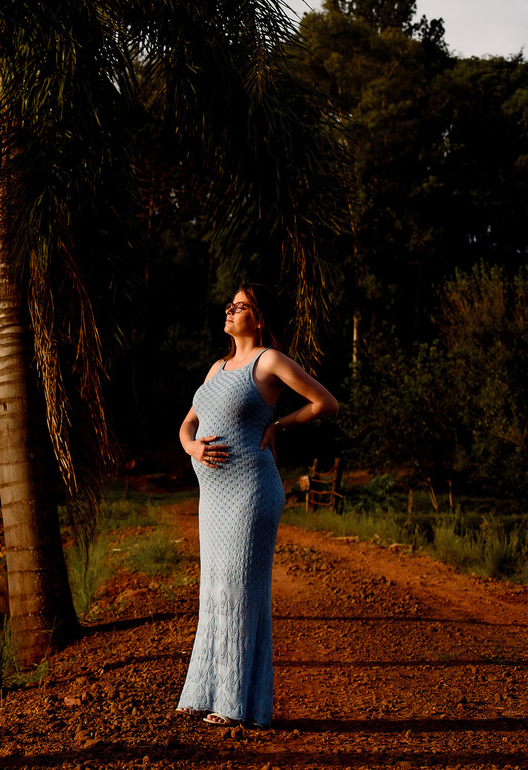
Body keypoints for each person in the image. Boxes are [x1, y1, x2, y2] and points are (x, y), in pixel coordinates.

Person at [174, 283, 338, 727]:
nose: (230, 310)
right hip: (213, 499)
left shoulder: (269, 361)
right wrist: (191, 448)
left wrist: (279, 425)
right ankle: (203, 691)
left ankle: (235, 704)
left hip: (250, 491)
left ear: (259, 319)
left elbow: (325, 402)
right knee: (214, 588)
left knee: (239, 590)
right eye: (229, 304)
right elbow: (188, 424)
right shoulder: (217, 367)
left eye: (241, 306)